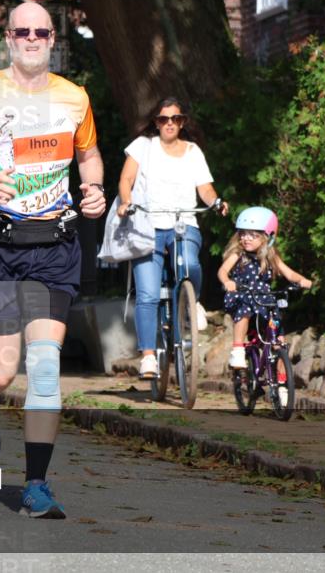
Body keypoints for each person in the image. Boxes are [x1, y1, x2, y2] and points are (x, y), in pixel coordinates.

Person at [0, 1, 106, 519]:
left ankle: (37, 483)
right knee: (2, 369)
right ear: (8, 38)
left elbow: (89, 155)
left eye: (42, 32)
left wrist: (93, 186)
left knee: (46, 367)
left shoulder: (74, 99)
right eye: (22, 31)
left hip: (53, 246)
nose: (32, 39)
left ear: (53, 40)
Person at [116, 98, 228, 379]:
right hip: (147, 224)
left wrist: (216, 203)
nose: (169, 123)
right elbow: (126, 179)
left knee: (190, 265)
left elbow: (205, 189)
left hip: (183, 222)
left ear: (182, 122)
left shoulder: (193, 152)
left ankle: (192, 303)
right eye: (164, 119)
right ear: (156, 122)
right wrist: (125, 202)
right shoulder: (143, 146)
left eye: (175, 119)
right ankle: (149, 357)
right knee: (148, 294)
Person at [217, 207, 312, 402]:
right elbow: (222, 271)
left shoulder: (270, 256)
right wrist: (228, 282)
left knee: (280, 342)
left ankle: (283, 386)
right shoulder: (238, 254)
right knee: (243, 312)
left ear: (267, 237)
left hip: (264, 301)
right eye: (243, 234)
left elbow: (289, 273)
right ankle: (237, 350)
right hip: (242, 295)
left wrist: (302, 280)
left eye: (253, 235)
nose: (246, 238)